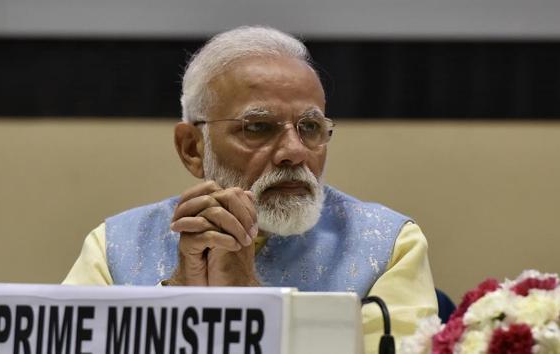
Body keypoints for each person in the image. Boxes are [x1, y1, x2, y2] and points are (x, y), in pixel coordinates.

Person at [64, 25, 437, 352]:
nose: (294, 152)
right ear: (193, 148)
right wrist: (174, 302)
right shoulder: (114, 247)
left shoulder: (388, 245)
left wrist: (252, 302)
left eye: (310, 128)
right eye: (258, 127)